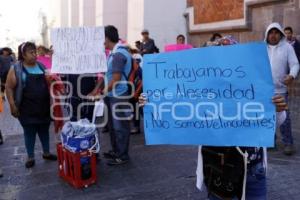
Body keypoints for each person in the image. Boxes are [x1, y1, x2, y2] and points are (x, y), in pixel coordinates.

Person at [5, 42, 57, 168]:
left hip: (43, 106)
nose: (35, 55)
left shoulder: (41, 66)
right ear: (23, 55)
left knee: (44, 130)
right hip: (26, 108)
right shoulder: (16, 69)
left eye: (35, 52)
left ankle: (46, 153)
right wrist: (12, 105)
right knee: (29, 132)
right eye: (31, 53)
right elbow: (9, 88)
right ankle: (30, 157)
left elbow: (49, 84)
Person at [265, 22, 300, 155]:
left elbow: (295, 64)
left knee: (284, 117)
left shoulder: (287, 48)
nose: (273, 35)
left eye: (276, 32)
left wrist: (291, 75)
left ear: (280, 34)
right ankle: (270, 141)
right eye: (271, 33)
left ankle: (288, 143)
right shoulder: (262, 48)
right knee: (268, 117)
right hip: (265, 90)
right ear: (267, 34)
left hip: (280, 90)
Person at [101, 25, 133, 165]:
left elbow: (116, 79)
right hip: (112, 94)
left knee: (120, 127)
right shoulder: (114, 53)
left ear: (107, 38)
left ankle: (122, 156)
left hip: (118, 95)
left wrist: (102, 92)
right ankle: (116, 151)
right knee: (113, 126)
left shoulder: (119, 54)